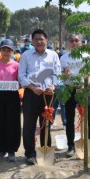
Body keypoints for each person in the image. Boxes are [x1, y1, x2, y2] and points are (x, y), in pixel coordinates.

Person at [18, 29, 61, 165]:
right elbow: (21, 75)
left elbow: (58, 73)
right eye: (36, 39)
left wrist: (53, 86)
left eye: (41, 39)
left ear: (46, 40)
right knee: (29, 124)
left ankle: (45, 149)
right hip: (31, 93)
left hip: (48, 95)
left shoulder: (53, 55)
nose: (39, 41)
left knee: (46, 123)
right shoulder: (26, 55)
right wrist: (31, 87)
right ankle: (30, 153)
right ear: (32, 41)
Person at [60, 33, 90, 157]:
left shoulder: (87, 57)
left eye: (76, 40)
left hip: (82, 88)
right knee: (69, 118)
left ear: (81, 42)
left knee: (86, 114)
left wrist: (86, 83)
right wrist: (65, 74)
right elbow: (61, 76)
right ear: (68, 43)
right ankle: (70, 145)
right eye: (72, 41)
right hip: (69, 89)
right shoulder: (63, 58)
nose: (74, 43)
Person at [0, 39, 21, 162]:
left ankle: (12, 149)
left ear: (13, 51)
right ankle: (1, 149)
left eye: (9, 50)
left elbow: (20, 82)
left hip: (12, 96)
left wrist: (16, 85)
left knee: (12, 121)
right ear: (0, 50)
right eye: (4, 49)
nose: (6, 52)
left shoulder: (17, 65)